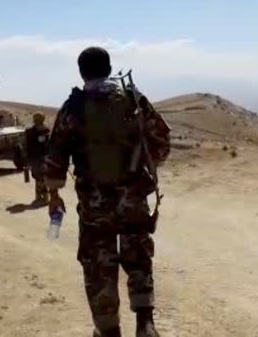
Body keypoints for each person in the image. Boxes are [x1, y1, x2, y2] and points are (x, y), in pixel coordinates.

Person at [45, 46, 171, 337]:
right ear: (109, 67)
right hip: (132, 197)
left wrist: (53, 194)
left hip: (94, 204)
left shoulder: (72, 107)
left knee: (98, 263)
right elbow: (162, 142)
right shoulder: (131, 99)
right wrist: (139, 167)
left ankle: (108, 329)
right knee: (137, 255)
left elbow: (55, 158)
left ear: (81, 72)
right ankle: (145, 322)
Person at [25, 112, 51, 204]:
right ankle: (39, 197)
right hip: (35, 157)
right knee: (37, 177)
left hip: (44, 157)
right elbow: (27, 147)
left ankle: (45, 197)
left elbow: (49, 144)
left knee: (42, 177)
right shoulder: (30, 131)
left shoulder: (46, 130)